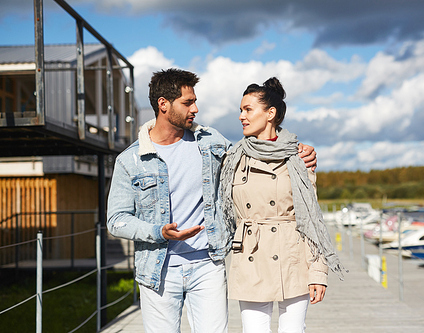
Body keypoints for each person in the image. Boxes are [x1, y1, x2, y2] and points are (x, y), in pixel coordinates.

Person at [106, 68, 318, 333]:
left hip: (208, 264)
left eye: (195, 100)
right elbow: (116, 220)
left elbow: (259, 151)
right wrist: (158, 231)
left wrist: (295, 149)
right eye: (187, 102)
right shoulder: (131, 160)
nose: (195, 108)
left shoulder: (211, 142)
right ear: (163, 104)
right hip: (158, 269)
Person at [221, 77, 346, 333]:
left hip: (293, 256)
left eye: (247, 109)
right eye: (240, 110)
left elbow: (312, 219)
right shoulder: (233, 158)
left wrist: (318, 273)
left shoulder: (299, 158)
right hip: (250, 253)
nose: (241, 116)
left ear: (270, 113)